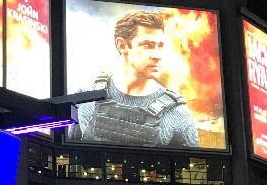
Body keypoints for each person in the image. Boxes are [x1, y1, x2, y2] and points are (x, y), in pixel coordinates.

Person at [67, 10, 199, 148]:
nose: (157, 55)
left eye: (160, 46)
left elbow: (194, 166)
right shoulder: (85, 98)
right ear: (122, 45)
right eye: (147, 45)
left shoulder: (179, 115)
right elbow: (72, 154)